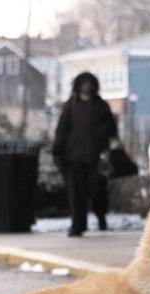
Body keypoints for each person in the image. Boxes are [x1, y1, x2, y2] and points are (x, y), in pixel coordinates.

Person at [51, 71, 119, 237]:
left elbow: (112, 129)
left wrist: (99, 134)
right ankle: (77, 225)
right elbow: (62, 130)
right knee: (76, 194)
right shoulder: (70, 106)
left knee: (98, 191)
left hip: (96, 157)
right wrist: (58, 150)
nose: (87, 86)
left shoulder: (101, 105)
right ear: (78, 85)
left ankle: (101, 217)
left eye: (89, 83)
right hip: (74, 157)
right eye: (84, 83)